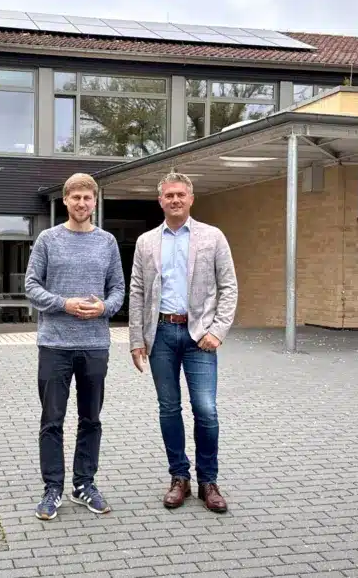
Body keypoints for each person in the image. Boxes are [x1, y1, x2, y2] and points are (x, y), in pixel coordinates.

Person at [128, 171, 238, 513]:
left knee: (206, 410)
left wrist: (217, 331)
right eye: (168, 195)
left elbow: (229, 287)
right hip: (160, 335)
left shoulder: (213, 237)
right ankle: (179, 477)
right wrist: (136, 339)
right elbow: (137, 291)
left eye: (180, 194)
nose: (175, 200)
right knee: (168, 409)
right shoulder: (147, 241)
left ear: (191, 198)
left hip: (199, 338)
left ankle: (208, 481)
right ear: (160, 200)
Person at [25, 172, 126, 521]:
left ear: (94, 201)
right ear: (65, 201)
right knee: (52, 419)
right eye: (75, 197)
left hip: (95, 345)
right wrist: (63, 304)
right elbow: (31, 286)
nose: (81, 203)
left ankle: (85, 484)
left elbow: (118, 290)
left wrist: (104, 308)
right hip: (55, 344)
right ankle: (52, 488)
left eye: (87, 198)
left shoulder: (107, 242)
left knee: (91, 419)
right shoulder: (48, 240)